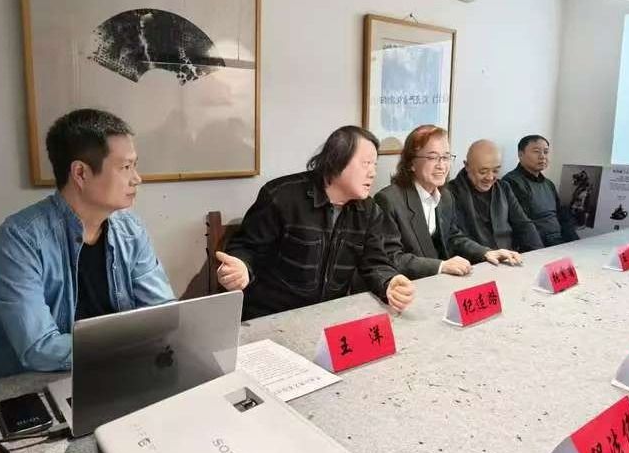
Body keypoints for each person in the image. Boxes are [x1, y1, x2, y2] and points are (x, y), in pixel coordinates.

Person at [0, 109, 174, 378]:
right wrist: (132, 344)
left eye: (135, 165)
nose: (137, 178)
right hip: (48, 381)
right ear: (80, 173)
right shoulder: (18, 240)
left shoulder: (130, 229)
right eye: (126, 167)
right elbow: (40, 349)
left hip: (121, 371)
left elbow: (163, 313)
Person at [216, 126, 415, 320]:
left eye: (375, 165)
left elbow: (374, 262)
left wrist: (389, 282)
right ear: (337, 160)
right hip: (271, 316)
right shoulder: (282, 196)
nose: (372, 173)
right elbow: (247, 247)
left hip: (327, 317)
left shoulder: (368, 210)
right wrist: (241, 267)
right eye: (366, 163)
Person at [375, 125, 522, 280]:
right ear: (411, 162)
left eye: (445, 157)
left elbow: (453, 237)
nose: (441, 165)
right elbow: (392, 257)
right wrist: (441, 266)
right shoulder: (388, 200)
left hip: (441, 282)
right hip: (408, 286)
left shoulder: (445, 196)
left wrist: (486, 252)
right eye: (432, 157)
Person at [447, 139, 543, 252]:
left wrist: (538, 254)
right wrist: (486, 254)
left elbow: (524, 225)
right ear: (467, 166)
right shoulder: (450, 193)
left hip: (508, 255)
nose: (490, 177)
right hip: (475, 258)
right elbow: (454, 238)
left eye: (495, 171)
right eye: (483, 172)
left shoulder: (503, 188)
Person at [503, 135, 579, 247]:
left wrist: (575, 243)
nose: (542, 156)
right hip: (538, 246)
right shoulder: (511, 182)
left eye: (546, 152)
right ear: (520, 154)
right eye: (536, 151)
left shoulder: (549, 184)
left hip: (559, 242)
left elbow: (562, 216)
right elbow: (522, 225)